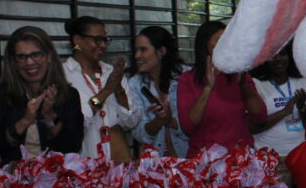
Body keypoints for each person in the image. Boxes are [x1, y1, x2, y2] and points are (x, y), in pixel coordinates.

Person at [0, 26, 84, 163]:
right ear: (13, 61)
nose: (29, 62)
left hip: (56, 178)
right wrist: (23, 122)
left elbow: (72, 147)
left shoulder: (68, 95)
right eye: (21, 57)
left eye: (36, 54)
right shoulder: (2, 95)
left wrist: (50, 117)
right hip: (12, 179)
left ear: (49, 56)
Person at [176, 20, 266, 156]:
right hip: (206, 164)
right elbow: (188, 127)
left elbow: (260, 117)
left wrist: (244, 87)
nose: (227, 45)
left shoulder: (239, 74)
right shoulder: (187, 79)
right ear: (204, 45)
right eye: (220, 41)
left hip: (240, 161)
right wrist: (207, 89)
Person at [63, 16, 140, 160]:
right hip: (84, 165)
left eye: (105, 40)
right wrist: (105, 92)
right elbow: (80, 120)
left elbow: (131, 121)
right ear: (77, 40)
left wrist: (119, 90)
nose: (103, 45)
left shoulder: (112, 73)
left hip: (117, 162)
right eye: (97, 39)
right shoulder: (64, 75)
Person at [249, 41, 306, 157]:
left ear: (289, 56)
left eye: (282, 54)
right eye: (272, 55)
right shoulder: (256, 85)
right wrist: (284, 112)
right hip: (269, 155)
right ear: (264, 59)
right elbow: (251, 128)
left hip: (301, 152)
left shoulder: (302, 81)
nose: (278, 59)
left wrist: (302, 108)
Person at [128, 26, 189, 157]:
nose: (137, 55)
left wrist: (170, 121)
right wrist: (159, 120)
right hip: (157, 167)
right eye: (136, 50)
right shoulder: (135, 84)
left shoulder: (187, 77)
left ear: (161, 51)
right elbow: (139, 134)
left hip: (190, 160)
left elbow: (196, 125)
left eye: (143, 50)